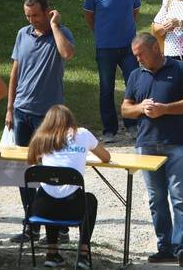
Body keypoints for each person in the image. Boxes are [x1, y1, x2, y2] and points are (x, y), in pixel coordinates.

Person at [122, 34, 183, 267]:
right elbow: (125, 109)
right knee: (156, 199)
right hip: (146, 144)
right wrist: (140, 107)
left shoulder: (180, 68)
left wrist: (165, 109)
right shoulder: (136, 75)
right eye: (135, 55)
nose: (138, 59)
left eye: (141, 54)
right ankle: (164, 247)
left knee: (180, 198)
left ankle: (182, 248)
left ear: (155, 48)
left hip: (176, 143)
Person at [5, 0, 76, 229]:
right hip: (21, 111)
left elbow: (67, 54)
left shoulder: (61, 33)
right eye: (28, 16)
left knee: (50, 170)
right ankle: (31, 222)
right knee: (24, 171)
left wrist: (54, 26)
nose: (32, 20)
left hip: (48, 115)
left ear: (48, 11)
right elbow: (15, 71)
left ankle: (57, 225)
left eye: (36, 15)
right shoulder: (22, 34)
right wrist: (9, 108)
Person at [26, 105, 111, 269]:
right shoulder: (83, 134)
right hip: (73, 209)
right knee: (90, 200)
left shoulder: (42, 137)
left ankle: (52, 253)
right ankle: (83, 254)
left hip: (42, 209)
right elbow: (106, 157)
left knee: (50, 189)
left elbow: (31, 159)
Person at [84, 0, 141, 143]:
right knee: (106, 88)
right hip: (105, 48)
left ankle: (132, 125)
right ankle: (109, 130)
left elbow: (135, 11)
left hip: (128, 46)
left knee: (133, 85)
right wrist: (102, 32)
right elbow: (89, 16)